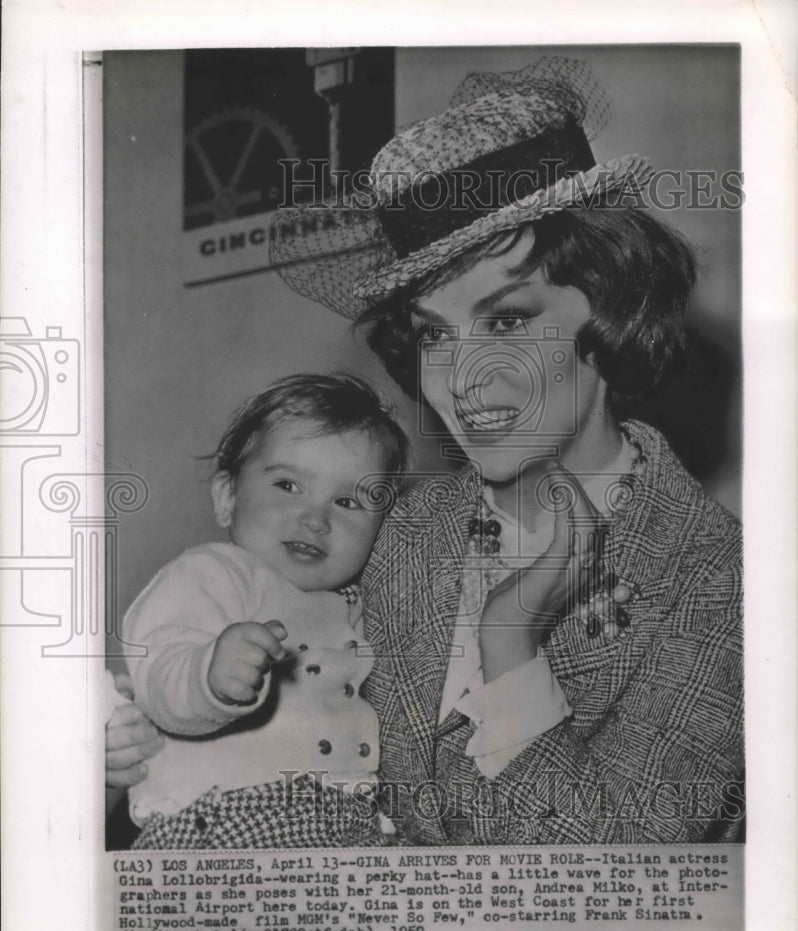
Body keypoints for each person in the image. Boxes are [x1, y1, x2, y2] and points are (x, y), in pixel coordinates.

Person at [109, 58, 743, 845]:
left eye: (507, 320)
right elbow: (208, 651)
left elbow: (621, 884)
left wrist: (508, 638)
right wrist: (119, 745)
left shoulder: (721, 580)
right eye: (435, 335)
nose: (463, 380)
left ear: (610, 308)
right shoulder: (387, 528)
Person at [108, 373, 408, 849]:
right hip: (223, 820)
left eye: (347, 501)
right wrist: (210, 675)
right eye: (288, 485)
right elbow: (160, 669)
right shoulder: (213, 572)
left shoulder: (357, 606)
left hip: (342, 826)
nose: (315, 518)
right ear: (227, 497)